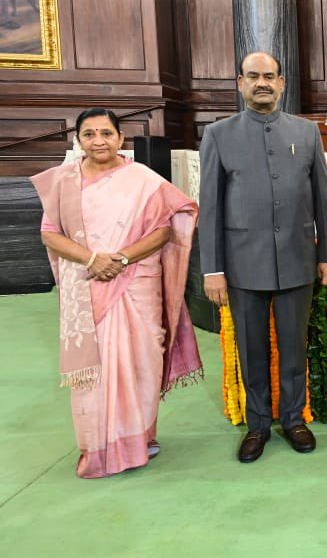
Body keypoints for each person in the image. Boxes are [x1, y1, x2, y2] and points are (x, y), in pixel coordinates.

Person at [31, 108, 202, 478]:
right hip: (88, 285)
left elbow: (167, 227)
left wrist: (122, 258)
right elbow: (49, 233)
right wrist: (93, 259)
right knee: (95, 369)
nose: (98, 141)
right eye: (89, 134)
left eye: (106, 133)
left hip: (138, 282)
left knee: (142, 361)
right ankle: (98, 448)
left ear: (120, 138)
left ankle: (140, 438)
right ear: (78, 141)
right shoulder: (63, 181)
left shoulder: (142, 179)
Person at [200, 51, 327, 463]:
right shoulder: (219, 135)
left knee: (294, 347)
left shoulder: (306, 132)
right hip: (243, 265)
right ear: (239, 83)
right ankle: (258, 424)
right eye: (253, 76)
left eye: (270, 76)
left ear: (282, 83)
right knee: (252, 348)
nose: (262, 83)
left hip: (297, 260)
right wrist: (213, 269)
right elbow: (210, 208)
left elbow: (322, 202)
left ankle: (294, 419)